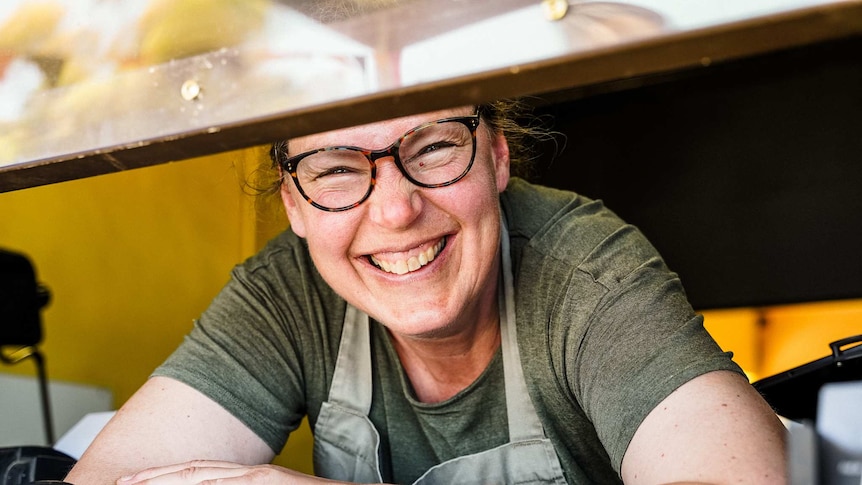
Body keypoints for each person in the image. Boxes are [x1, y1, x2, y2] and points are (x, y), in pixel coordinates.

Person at [65, 101, 787, 484]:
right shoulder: (285, 295)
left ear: (497, 154)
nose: (395, 210)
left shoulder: (586, 272)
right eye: (337, 168)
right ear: (293, 203)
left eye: (435, 144)